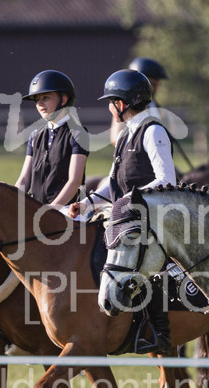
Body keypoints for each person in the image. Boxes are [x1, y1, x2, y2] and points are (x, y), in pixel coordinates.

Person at [70, 68, 176, 353]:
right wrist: (89, 203)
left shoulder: (153, 131)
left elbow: (167, 179)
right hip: (126, 216)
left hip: (149, 218)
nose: (108, 107)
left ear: (123, 103)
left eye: (111, 101)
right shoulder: (127, 135)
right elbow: (112, 184)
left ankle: (158, 332)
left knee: (143, 263)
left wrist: (127, 200)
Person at [14, 70, 88, 210]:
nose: (40, 104)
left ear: (63, 99)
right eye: (37, 100)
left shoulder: (78, 134)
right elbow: (24, 180)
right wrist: (12, 202)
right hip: (36, 210)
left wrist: (51, 210)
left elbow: (75, 181)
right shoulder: (35, 136)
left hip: (66, 211)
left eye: (46, 97)